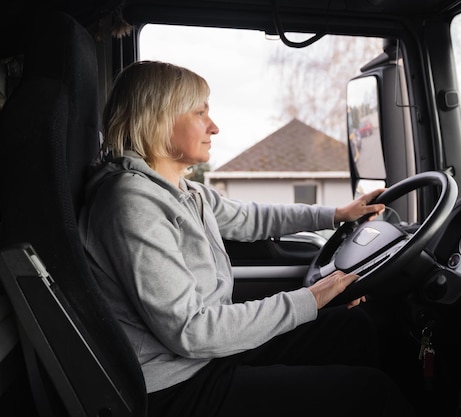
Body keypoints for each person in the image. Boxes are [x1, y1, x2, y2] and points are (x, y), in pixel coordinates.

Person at [78, 60, 416, 417]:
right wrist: (311, 298)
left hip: (205, 356)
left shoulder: (183, 191)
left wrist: (334, 215)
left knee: (357, 330)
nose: (214, 127)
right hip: (176, 386)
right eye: (199, 113)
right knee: (370, 394)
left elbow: (250, 217)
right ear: (158, 117)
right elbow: (192, 330)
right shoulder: (132, 203)